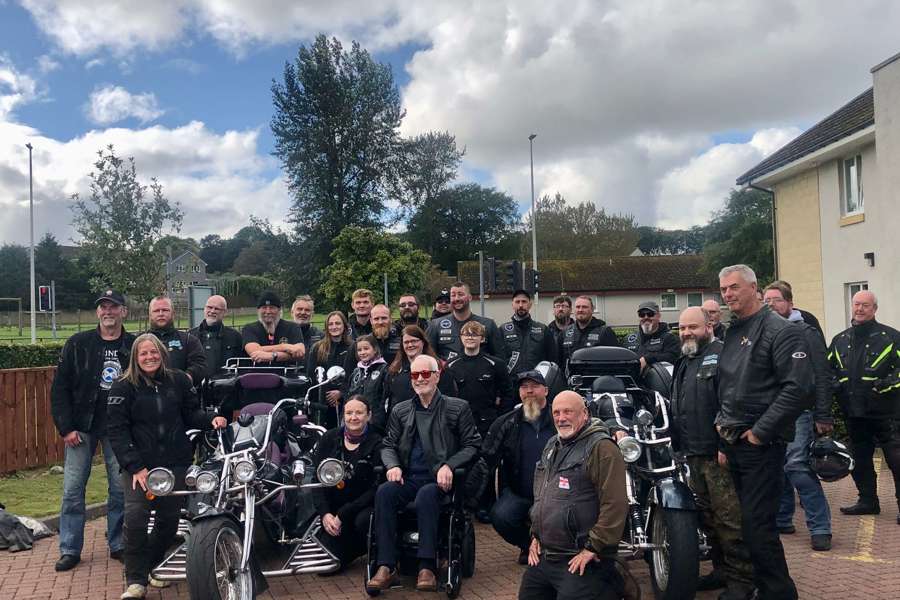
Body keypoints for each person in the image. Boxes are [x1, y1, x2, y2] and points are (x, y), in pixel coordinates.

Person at [715, 264, 813, 600]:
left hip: (762, 445)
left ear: (754, 288)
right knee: (748, 526)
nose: (728, 294)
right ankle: (765, 587)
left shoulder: (781, 330)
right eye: (724, 289)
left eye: (734, 287)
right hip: (735, 441)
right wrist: (723, 438)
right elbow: (728, 388)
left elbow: (798, 388)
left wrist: (759, 433)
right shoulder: (733, 329)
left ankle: (779, 592)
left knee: (759, 528)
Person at [107, 334, 227, 599]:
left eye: (154, 353)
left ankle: (151, 567)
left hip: (176, 463)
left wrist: (212, 419)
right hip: (140, 468)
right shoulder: (122, 387)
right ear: (136, 358)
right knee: (136, 520)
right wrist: (135, 466)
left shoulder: (178, 381)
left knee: (169, 522)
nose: (149, 357)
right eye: (143, 354)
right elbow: (117, 430)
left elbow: (191, 414)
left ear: (162, 354)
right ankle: (135, 581)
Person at [366, 355, 481, 594]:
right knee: (385, 492)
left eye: (425, 374)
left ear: (437, 376)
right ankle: (385, 565)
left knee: (427, 496)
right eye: (415, 375)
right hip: (408, 477)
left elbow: (472, 445)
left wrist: (449, 465)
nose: (420, 379)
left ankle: (426, 566)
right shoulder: (401, 410)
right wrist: (392, 465)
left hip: (439, 480)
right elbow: (387, 444)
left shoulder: (457, 407)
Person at [671, 307, 754, 599]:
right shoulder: (685, 360)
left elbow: (731, 405)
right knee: (707, 519)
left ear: (708, 326)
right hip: (693, 456)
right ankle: (721, 570)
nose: (686, 333)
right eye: (682, 328)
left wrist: (725, 446)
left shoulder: (723, 355)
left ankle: (742, 582)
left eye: (692, 327)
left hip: (716, 456)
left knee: (730, 521)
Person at [49, 289, 134, 572]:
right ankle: (70, 548)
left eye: (113, 307)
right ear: (97, 312)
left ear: (123, 311)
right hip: (81, 428)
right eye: (103, 308)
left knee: (119, 490)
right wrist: (66, 427)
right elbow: (60, 388)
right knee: (73, 490)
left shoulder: (134, 345)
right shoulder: (77, 344)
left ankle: (118, 543)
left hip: (118, 428)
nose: (108, 312)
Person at [520, 391, 628, 600]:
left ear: (584, 414)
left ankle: (610, 587)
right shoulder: (552, 445)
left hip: (582, 557)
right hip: (548, 555)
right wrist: (535, 534)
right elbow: (541, 494)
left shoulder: (602, 448)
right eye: (557, 413)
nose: (561, 418)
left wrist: (593, 547)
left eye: (568, 412)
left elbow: (615, 504)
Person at [763, 282, 833, 551]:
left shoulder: (806, 332)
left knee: (797, 466)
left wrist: (823, 414)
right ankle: (782, 519)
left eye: (776, 300)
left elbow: (822, 375)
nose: (770, 305)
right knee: (778, 466)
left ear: (790, 303)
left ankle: (820, 527)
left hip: (799, 411)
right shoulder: (765, 333)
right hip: (772, 412)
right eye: (766, 300)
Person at [827, 290, 900, 522]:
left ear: (874, 309)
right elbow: (826, 370)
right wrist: (835, 385)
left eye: (865, 305)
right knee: (859, 459)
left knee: (896, 460)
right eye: (856, 304)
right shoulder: (840, 339)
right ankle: (868, 501)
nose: (859, 309)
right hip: (853, 413)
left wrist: (885, 386)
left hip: (887, 413)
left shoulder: (891, 337)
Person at [481, 370, 556, 565]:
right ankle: (529, 544)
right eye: (524, 387)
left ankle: (556, 547)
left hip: (556, 495)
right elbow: (486, 461)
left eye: (535, 386)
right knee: (501, 515)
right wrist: (468, 500)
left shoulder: (560, 419)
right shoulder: (506, 423)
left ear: (546, 390)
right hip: (519, 494)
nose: (529, 391)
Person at [447, 320, 515, 522]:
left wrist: (501, 418)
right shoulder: (451, 366)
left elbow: (508, 393)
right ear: (461, 338)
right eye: (466, 334)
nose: (470, 337)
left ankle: (485, 506)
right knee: (463, 464)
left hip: (487, 422)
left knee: (485, 464)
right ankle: (462, 504)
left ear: (482, 338)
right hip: (460, 425)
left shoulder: (495, 364)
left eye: (474, 334)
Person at [312, 395, 383, 570]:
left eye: (359, 413)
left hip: (361, 508)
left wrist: (343, 514)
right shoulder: (329, 438)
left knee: (363, 522)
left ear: (369, 415)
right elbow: (316, 480)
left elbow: (376, 488)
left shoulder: (378, 442)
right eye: (349, 413)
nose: (353, 417)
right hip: (334, 512)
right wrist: (325, 514)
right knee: (324, 568)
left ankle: (365, 548)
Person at [384, 325, 457, 417]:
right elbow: (389, 403)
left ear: (423, 342)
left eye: (414, 341)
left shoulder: (439, 369)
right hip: (403, 424)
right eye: (406, 342)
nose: (410, 345)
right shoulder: (394, 372)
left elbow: (449, 401)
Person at [427, 282, 507, 361]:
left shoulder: (488, 325)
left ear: (470, 297)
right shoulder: (436, 325)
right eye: (453, 295)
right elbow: (428, 357)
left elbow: (499, 358)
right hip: (449, 372)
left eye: (460, 294)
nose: (457, 298)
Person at [306, 311, 353, 429]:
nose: (334, 327)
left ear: (344, 326)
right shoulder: (317, 347)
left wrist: (341, 393)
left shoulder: (353, 347)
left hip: (345, 402)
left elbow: (354, 375)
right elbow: (311, 375)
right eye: (330, 324)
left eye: (338, 323)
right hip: (322, 402)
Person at [147, 295, 207, 383]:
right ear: (150, 315)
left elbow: (200, 365)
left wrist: (185, 378)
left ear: (173, 313)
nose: (161, 314)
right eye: (156, 311)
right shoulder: (139, 341)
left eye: (165, 310)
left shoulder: (189, 340)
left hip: (180, 393)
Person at [500, 289, 558, 380]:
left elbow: (553, 360)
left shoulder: (543, 330)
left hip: (537, 383)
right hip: (511, 384)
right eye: (517, 302)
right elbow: (499, 359)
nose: (520, 305)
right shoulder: (503, 330)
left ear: (530, 305)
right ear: (512, 305)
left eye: (524, 302)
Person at [241, 291, 305, 364]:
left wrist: (272, 356)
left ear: (279, 310)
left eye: (272, 308)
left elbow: (300, 352)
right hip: (258, 373)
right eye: (264, 308)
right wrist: (285, 347)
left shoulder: (292, 327)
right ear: (258, 310)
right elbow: (254, 351)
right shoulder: (249, 328)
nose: (268, 311)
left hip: (287, 373)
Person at [188, 294, 244, 376]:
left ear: (224, 312)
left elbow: (242, 364)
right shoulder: (190, 336)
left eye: (217, 309)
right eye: (209, 307)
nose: (212, 311)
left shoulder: (235, 337)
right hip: (196, 386)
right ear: (204, 309)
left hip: (225, 385)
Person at [344, 335, 389, 432]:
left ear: (375, 349)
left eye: (366, 349)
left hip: (376, 424)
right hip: (355, 422)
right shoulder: (356, 372)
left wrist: (378, 420)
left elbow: (385, 399)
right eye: (359, 350)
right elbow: (348, 396)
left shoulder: (384, 370)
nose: (362, 352)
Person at [559, 295, 618, 368]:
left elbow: (615, 361)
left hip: (595, 377)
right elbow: (558, 362)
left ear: (592, 310)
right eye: (578, 307)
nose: (580, 310)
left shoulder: (605, 332)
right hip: (570, 378)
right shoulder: (565, 333)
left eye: (584, 307)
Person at [623, 301, 680, 371]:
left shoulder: (670, 338)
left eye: (650, 314)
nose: (646, 317)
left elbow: (672, 357)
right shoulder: (629, 339)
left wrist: (648, 359)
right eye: (642, 315)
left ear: (658, 316)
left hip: (656, 380)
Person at [345, 304, 401, 369]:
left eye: (384, 318)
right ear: (371, 321)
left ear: (390, 319)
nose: (380, 322)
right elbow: (348, 375)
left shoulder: (401, 342)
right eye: (376, 319)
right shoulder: (359, 344)